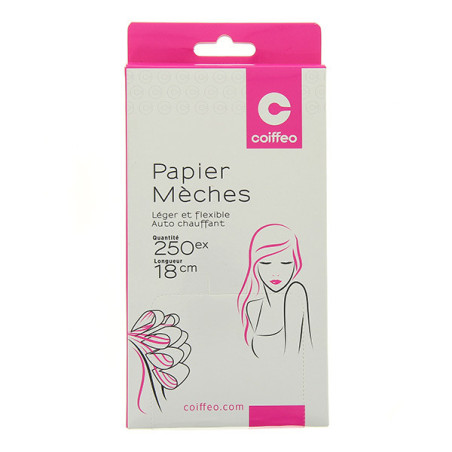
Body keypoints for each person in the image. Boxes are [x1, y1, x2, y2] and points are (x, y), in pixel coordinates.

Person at [237, 224, 312, 358]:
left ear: (296, 264)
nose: (276, 272)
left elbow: (294, 357)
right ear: (255, 264)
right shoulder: (252, 307)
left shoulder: (295, 294)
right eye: (266, 263)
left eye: (285, 263)